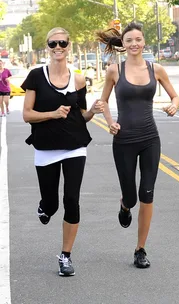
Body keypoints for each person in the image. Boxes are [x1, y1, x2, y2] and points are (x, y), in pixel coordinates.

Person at [96, 22, 179, 268]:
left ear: (144, 42)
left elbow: (175, 95)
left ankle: (140, 249)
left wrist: (175, 105)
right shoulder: (114, 70)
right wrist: (111, 122)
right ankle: (124, 205)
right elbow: (102, 102)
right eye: (129, 40)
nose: (134, 43)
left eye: (138, 39)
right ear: (123, 44)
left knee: (147, 194)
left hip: (150, 139)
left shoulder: (157, 69)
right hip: (123, 140)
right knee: (132, 197)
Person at [21, 27, 104, 276]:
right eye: (53, 43)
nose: (58, 47)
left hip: (74, 146)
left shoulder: (78, 79)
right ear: (47, 46)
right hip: (46, 147)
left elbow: (82, 115)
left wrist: (93, 112)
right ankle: (45, 206)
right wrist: (53, 114)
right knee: (52, 204)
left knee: (71, 199)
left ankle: (65, 256)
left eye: (63, 43)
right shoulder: (36, 76)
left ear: (69, 45)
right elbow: (27, 115)